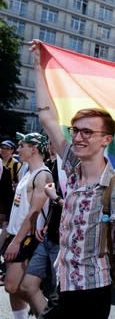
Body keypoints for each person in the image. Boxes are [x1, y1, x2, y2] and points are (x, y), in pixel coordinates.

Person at [30, 40, 115, 319]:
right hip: (62, 283)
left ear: (106, 140)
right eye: (76, 130)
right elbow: (46, 117)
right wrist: (39, 64)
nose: (78, 137)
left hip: (91, 292)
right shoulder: (71, 166)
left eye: (87, 132)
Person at [2, 132, 52, 319]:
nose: (19, 149)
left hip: (25, 238)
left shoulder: (42, 175)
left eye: (22, 145)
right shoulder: (26, 170)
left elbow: (34, 212)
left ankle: (46, 311)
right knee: (14, 288)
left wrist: (16, 241)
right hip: (14, 235)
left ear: (34, 149)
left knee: (13, 286)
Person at [19, 142, 64, 316]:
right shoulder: (53, 167)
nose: (52, 146)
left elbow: (71, 205)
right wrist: (41, 224)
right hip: (47, 234)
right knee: (28, 286)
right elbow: (47, 203)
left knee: (57, 294)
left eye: (55, 142)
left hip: (63, 239)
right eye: (50, 143)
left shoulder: (73, 169)